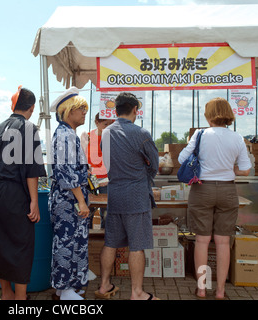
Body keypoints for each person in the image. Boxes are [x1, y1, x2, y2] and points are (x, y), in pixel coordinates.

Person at [178, 97, 251, 300]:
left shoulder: (200, 135)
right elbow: (245, 170)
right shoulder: (237, 137)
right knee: (223, 242)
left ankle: (202, 289)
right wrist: (230, 168)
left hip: (202, 190)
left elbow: (182, 159)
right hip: (228, 190)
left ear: (209, 115)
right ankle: (220, 291)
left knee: (201, 240)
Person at [0, 86, 46, 300]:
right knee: (21, 245)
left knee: (0, 243)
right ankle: (20, 298)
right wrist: (34, 201)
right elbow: (32, 169)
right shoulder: (29, 128)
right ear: (32, 107)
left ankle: (6, 293)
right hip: (19, 192)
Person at [96, 92, 159, 300]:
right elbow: (155, 164)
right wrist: (143, 177)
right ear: (135, 110)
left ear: (115, 110)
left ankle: (104, 285)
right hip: (136, 195)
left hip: (114, 193)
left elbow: (106, 161)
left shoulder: (105, 133)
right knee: (137, 245)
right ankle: (137, 292)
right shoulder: (141, 133)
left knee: (110, 242)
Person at [48, 87, 91, 300]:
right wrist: (81, 201)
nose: (85, 112)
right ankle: (64, 289)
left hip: (68, 198)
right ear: (68, 111)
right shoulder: (65, 135)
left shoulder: (67, 134)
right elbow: (67, 173)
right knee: (67, 243)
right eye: (81, 109)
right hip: (69, 199)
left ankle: (67, 286)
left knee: (72, 242)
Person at [81, 112, 114, 229]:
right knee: (89, 209)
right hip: (92, 179)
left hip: (107, 179)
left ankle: (105, 239)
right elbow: (82, 158)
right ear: (97, 123)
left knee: (106, 212)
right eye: (105, 124)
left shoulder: (113, 138)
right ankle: (88, 236)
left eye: (110, 124)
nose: (108, 127)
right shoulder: (88, 137)